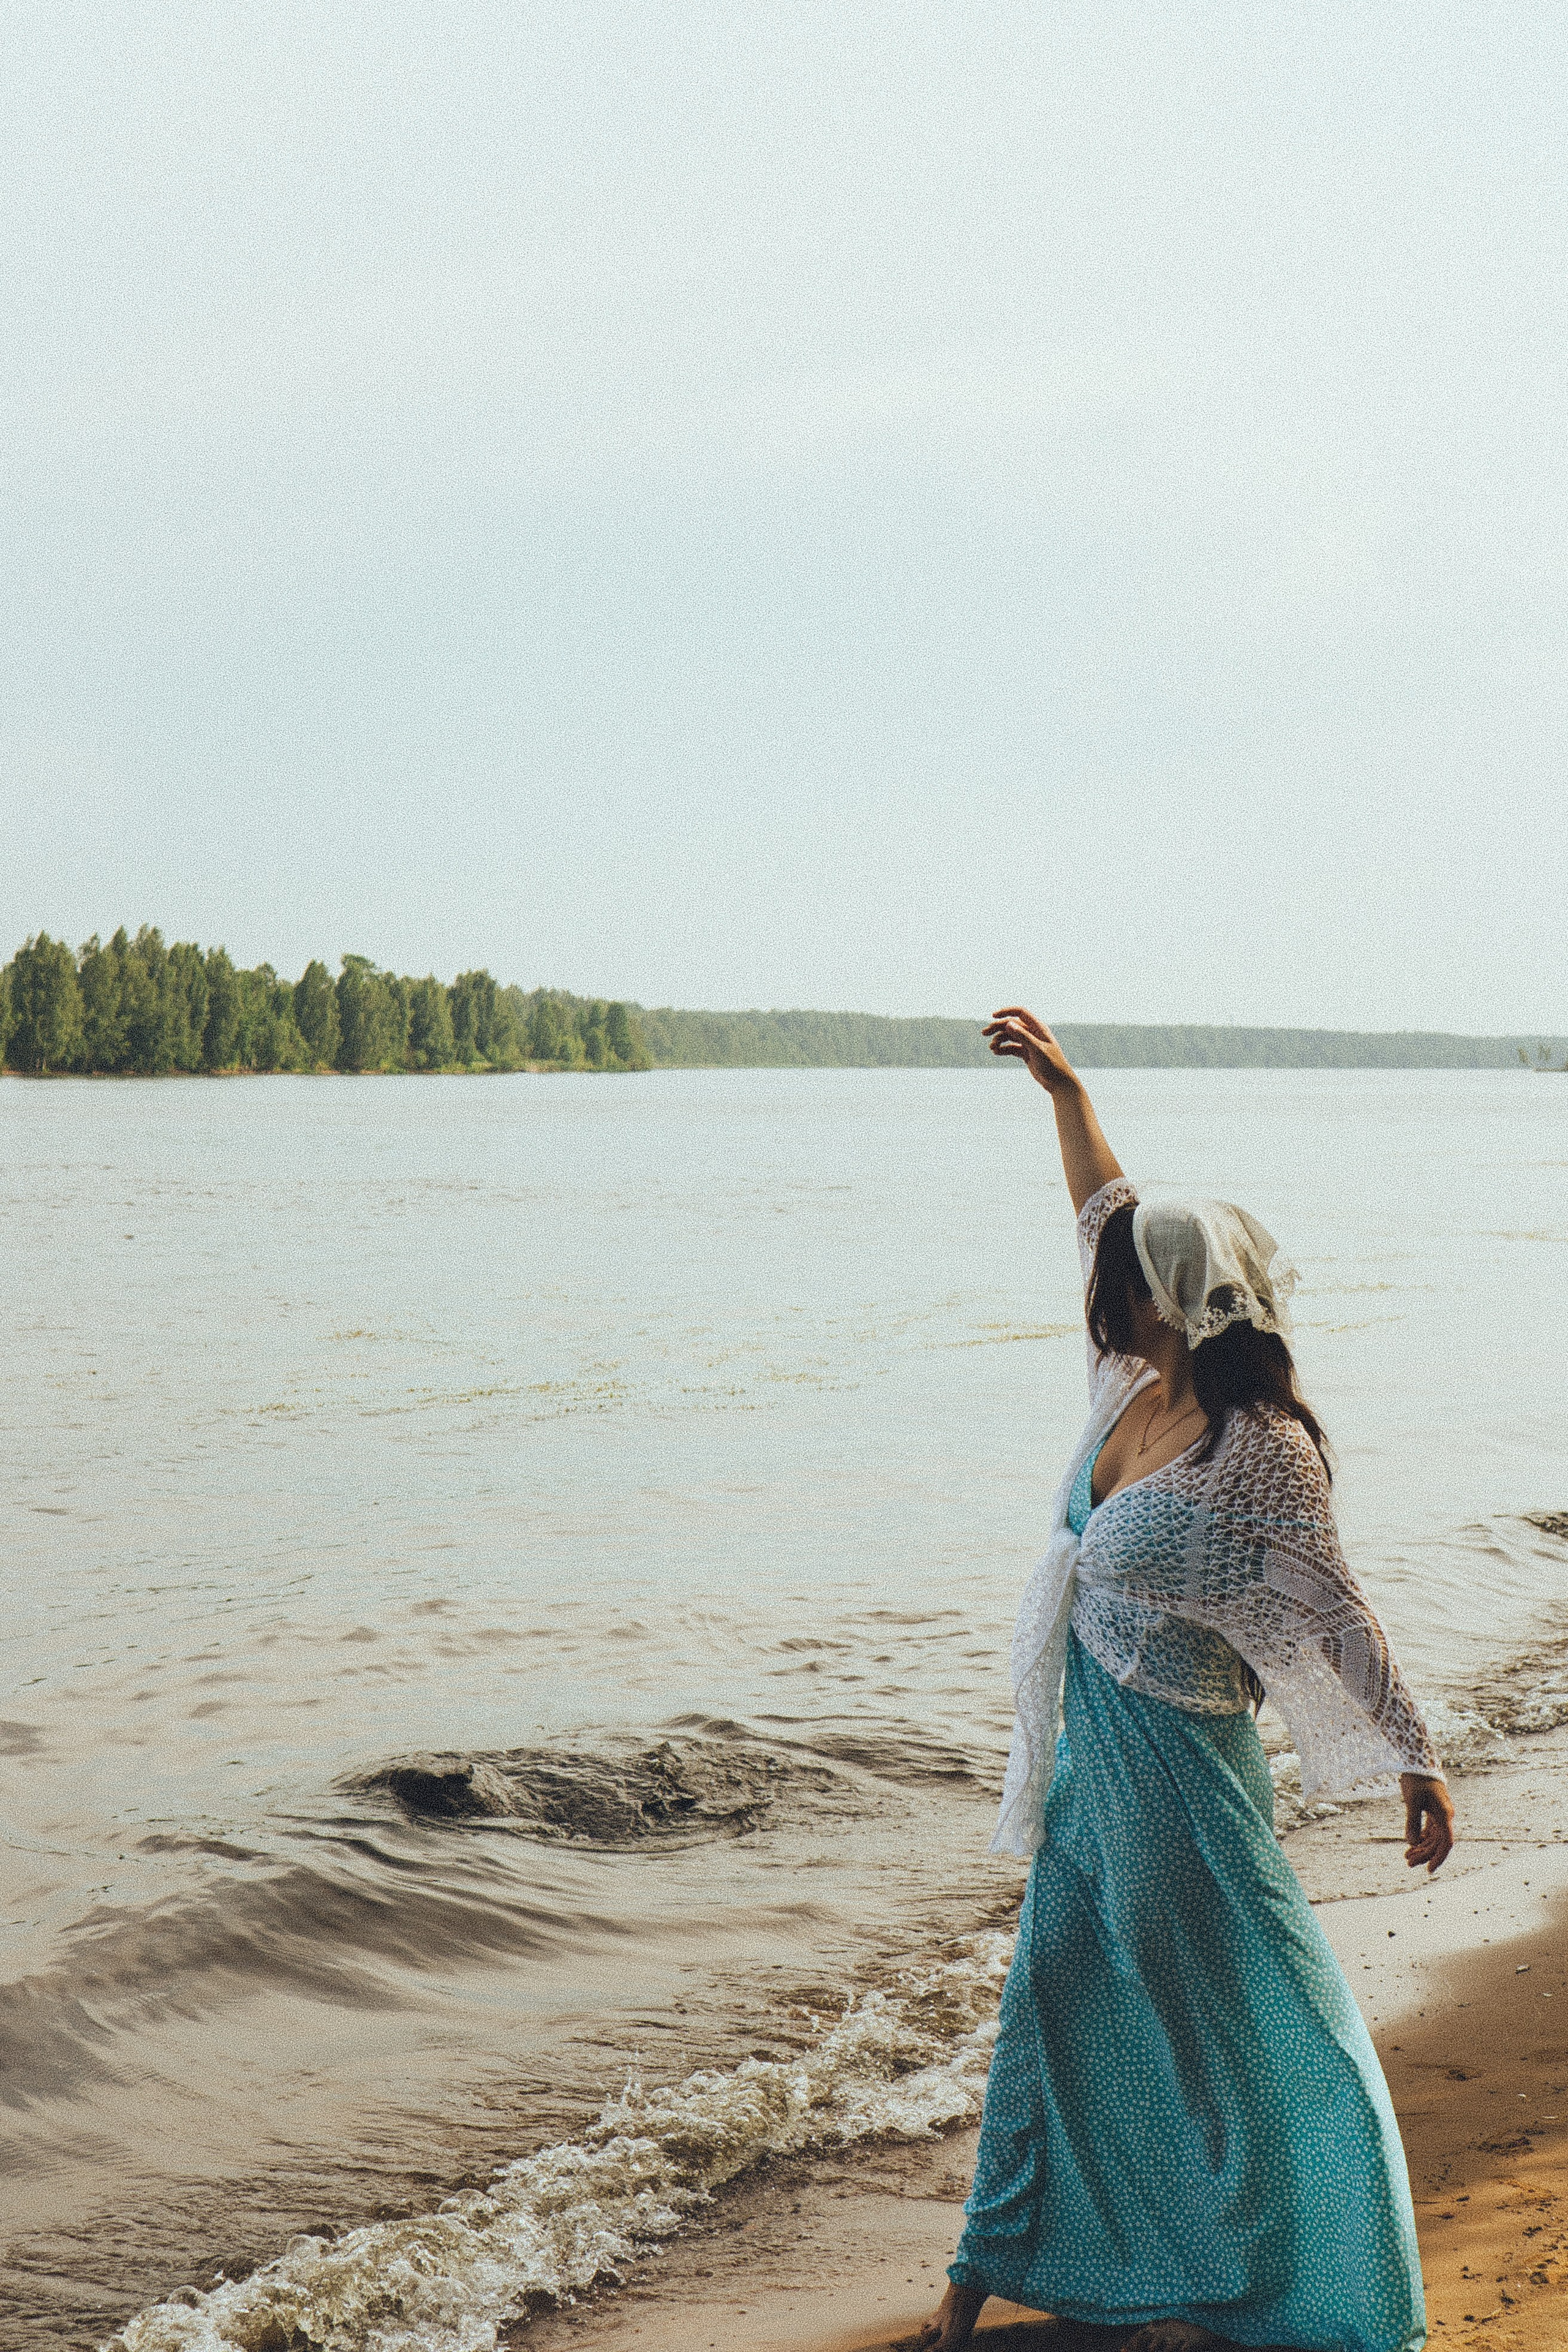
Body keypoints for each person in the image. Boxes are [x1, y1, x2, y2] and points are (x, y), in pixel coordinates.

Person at [916, 1011, 1454, 2352]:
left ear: (1169, 1297)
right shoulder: (1120, 1386)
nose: (1103, 1280)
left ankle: (1312, 2281)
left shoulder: (1259, 1445)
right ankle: (975, 2289)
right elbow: (1100, 1206)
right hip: (1088, 1776)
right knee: (1056, 2004)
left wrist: (1415, 1759)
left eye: (1128, 1273)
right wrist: (1066, 1090)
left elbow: (1335, 1612)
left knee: (1249, 2018)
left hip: (1179, 1775)